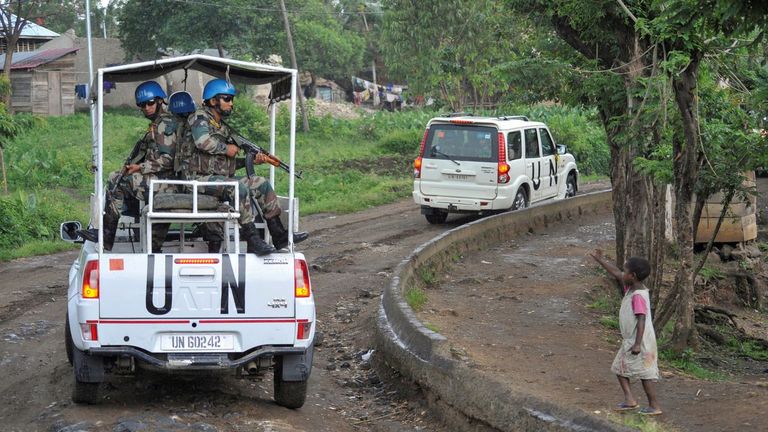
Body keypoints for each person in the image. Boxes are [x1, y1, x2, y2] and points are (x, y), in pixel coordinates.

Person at [182, 78, 308, 255]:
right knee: (238, 188)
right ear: (212, 101)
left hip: (214, 179)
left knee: (261, 183)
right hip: (196, 180)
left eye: (231, 99)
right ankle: (253, 239)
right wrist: (227, 148)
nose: (230, 103)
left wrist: (251, 160)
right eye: (226, 99)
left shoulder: (220, 126)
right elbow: (203, 142)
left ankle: (279, 235)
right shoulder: (200, 117)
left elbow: (222, 163)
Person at [79, 81, 178, 252]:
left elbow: (168, 159)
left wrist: (140, 168)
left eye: (150, 103)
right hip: (160, 178)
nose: (146, 108)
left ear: (161, 101)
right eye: (142, 105)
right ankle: (108, 233)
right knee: (117, 177)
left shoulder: (165, 124)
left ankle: (106, 236)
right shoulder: (158, 123)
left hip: (169, 182)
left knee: (118, 181)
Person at [590, 249, 662, 416]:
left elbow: (642, 319)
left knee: (642, 374)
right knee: (625, 369)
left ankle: (652, 405)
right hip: (634, 340)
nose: (622, 273)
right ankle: (633, 400)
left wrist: (637, 343)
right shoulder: (632, 288)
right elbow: (616, 273)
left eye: (626, 271)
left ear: (633, 276)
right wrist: (600, 260)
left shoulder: (637, 295)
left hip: (639, 341)